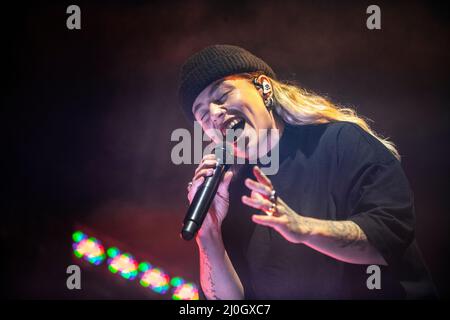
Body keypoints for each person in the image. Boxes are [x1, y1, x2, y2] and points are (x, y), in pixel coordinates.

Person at [178, 44, 436, 299]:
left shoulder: (341, 142)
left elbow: (390, 238)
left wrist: (301, 228)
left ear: (264, 88)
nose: (213, 114)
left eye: (221, 96)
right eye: (202, 114)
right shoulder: (228, 190)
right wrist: (209, 235)